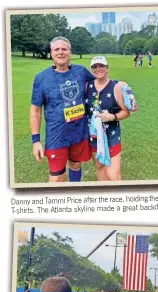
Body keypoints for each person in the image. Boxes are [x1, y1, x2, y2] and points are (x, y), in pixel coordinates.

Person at [30, 36, 95, 183]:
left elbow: (99, 85)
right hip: (56, 136)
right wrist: (36, 141)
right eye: (56, 49)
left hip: (79, 133)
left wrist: (118, 85)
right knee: (57, 177)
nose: (60, 52)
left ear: (70, 52)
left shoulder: (81, 72)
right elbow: (35, 110)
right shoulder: (41, 78)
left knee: (75, 164)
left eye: (64, 49)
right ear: (51, 53)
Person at [85, 55, 131, 181]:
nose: (98, 69)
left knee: (113, 175)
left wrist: (112, 116)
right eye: (94, 66)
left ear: (107, 68)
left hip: (112, 135)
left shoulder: (116, 87)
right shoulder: (87, 86)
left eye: (101, 66)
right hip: (93, 136)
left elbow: (126, 112)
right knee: (100, 168)